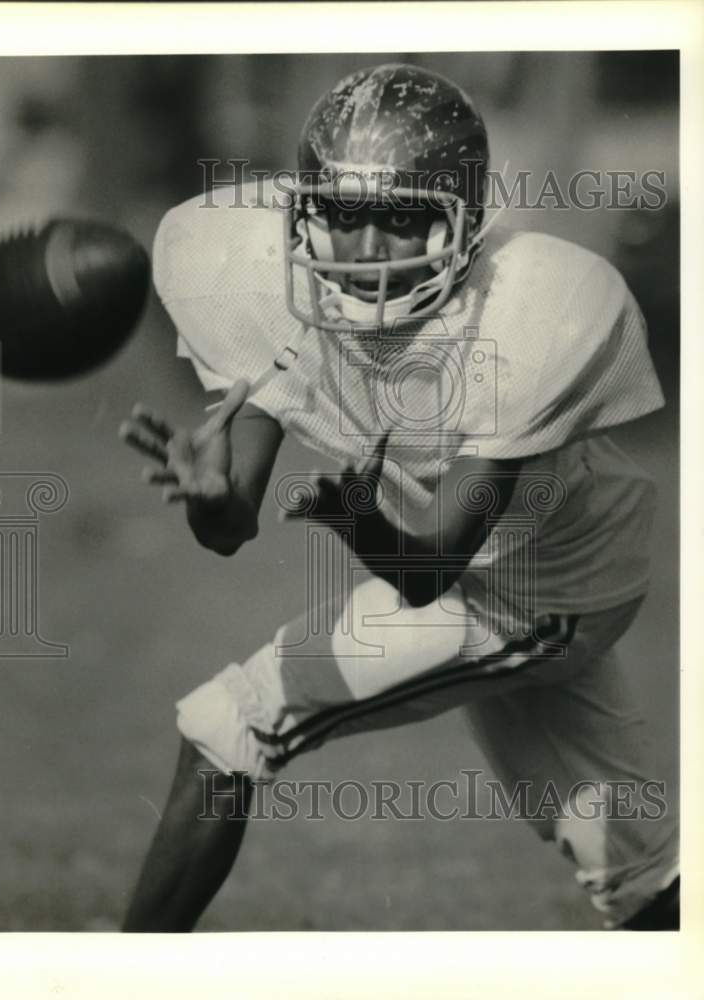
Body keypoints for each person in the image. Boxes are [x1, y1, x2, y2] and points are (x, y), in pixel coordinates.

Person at [119, 63, 679, 931]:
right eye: (344, 213)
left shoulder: (528, 310)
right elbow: (229, 526)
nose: (370, 245)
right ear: (304, 213)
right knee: (640, 873)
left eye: (403, 212)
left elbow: (431, 572)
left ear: (464, 219)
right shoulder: (273, 295)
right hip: (506, 575)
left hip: (545, 584)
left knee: (230, 724)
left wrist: (360, 523)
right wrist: (205, 495)